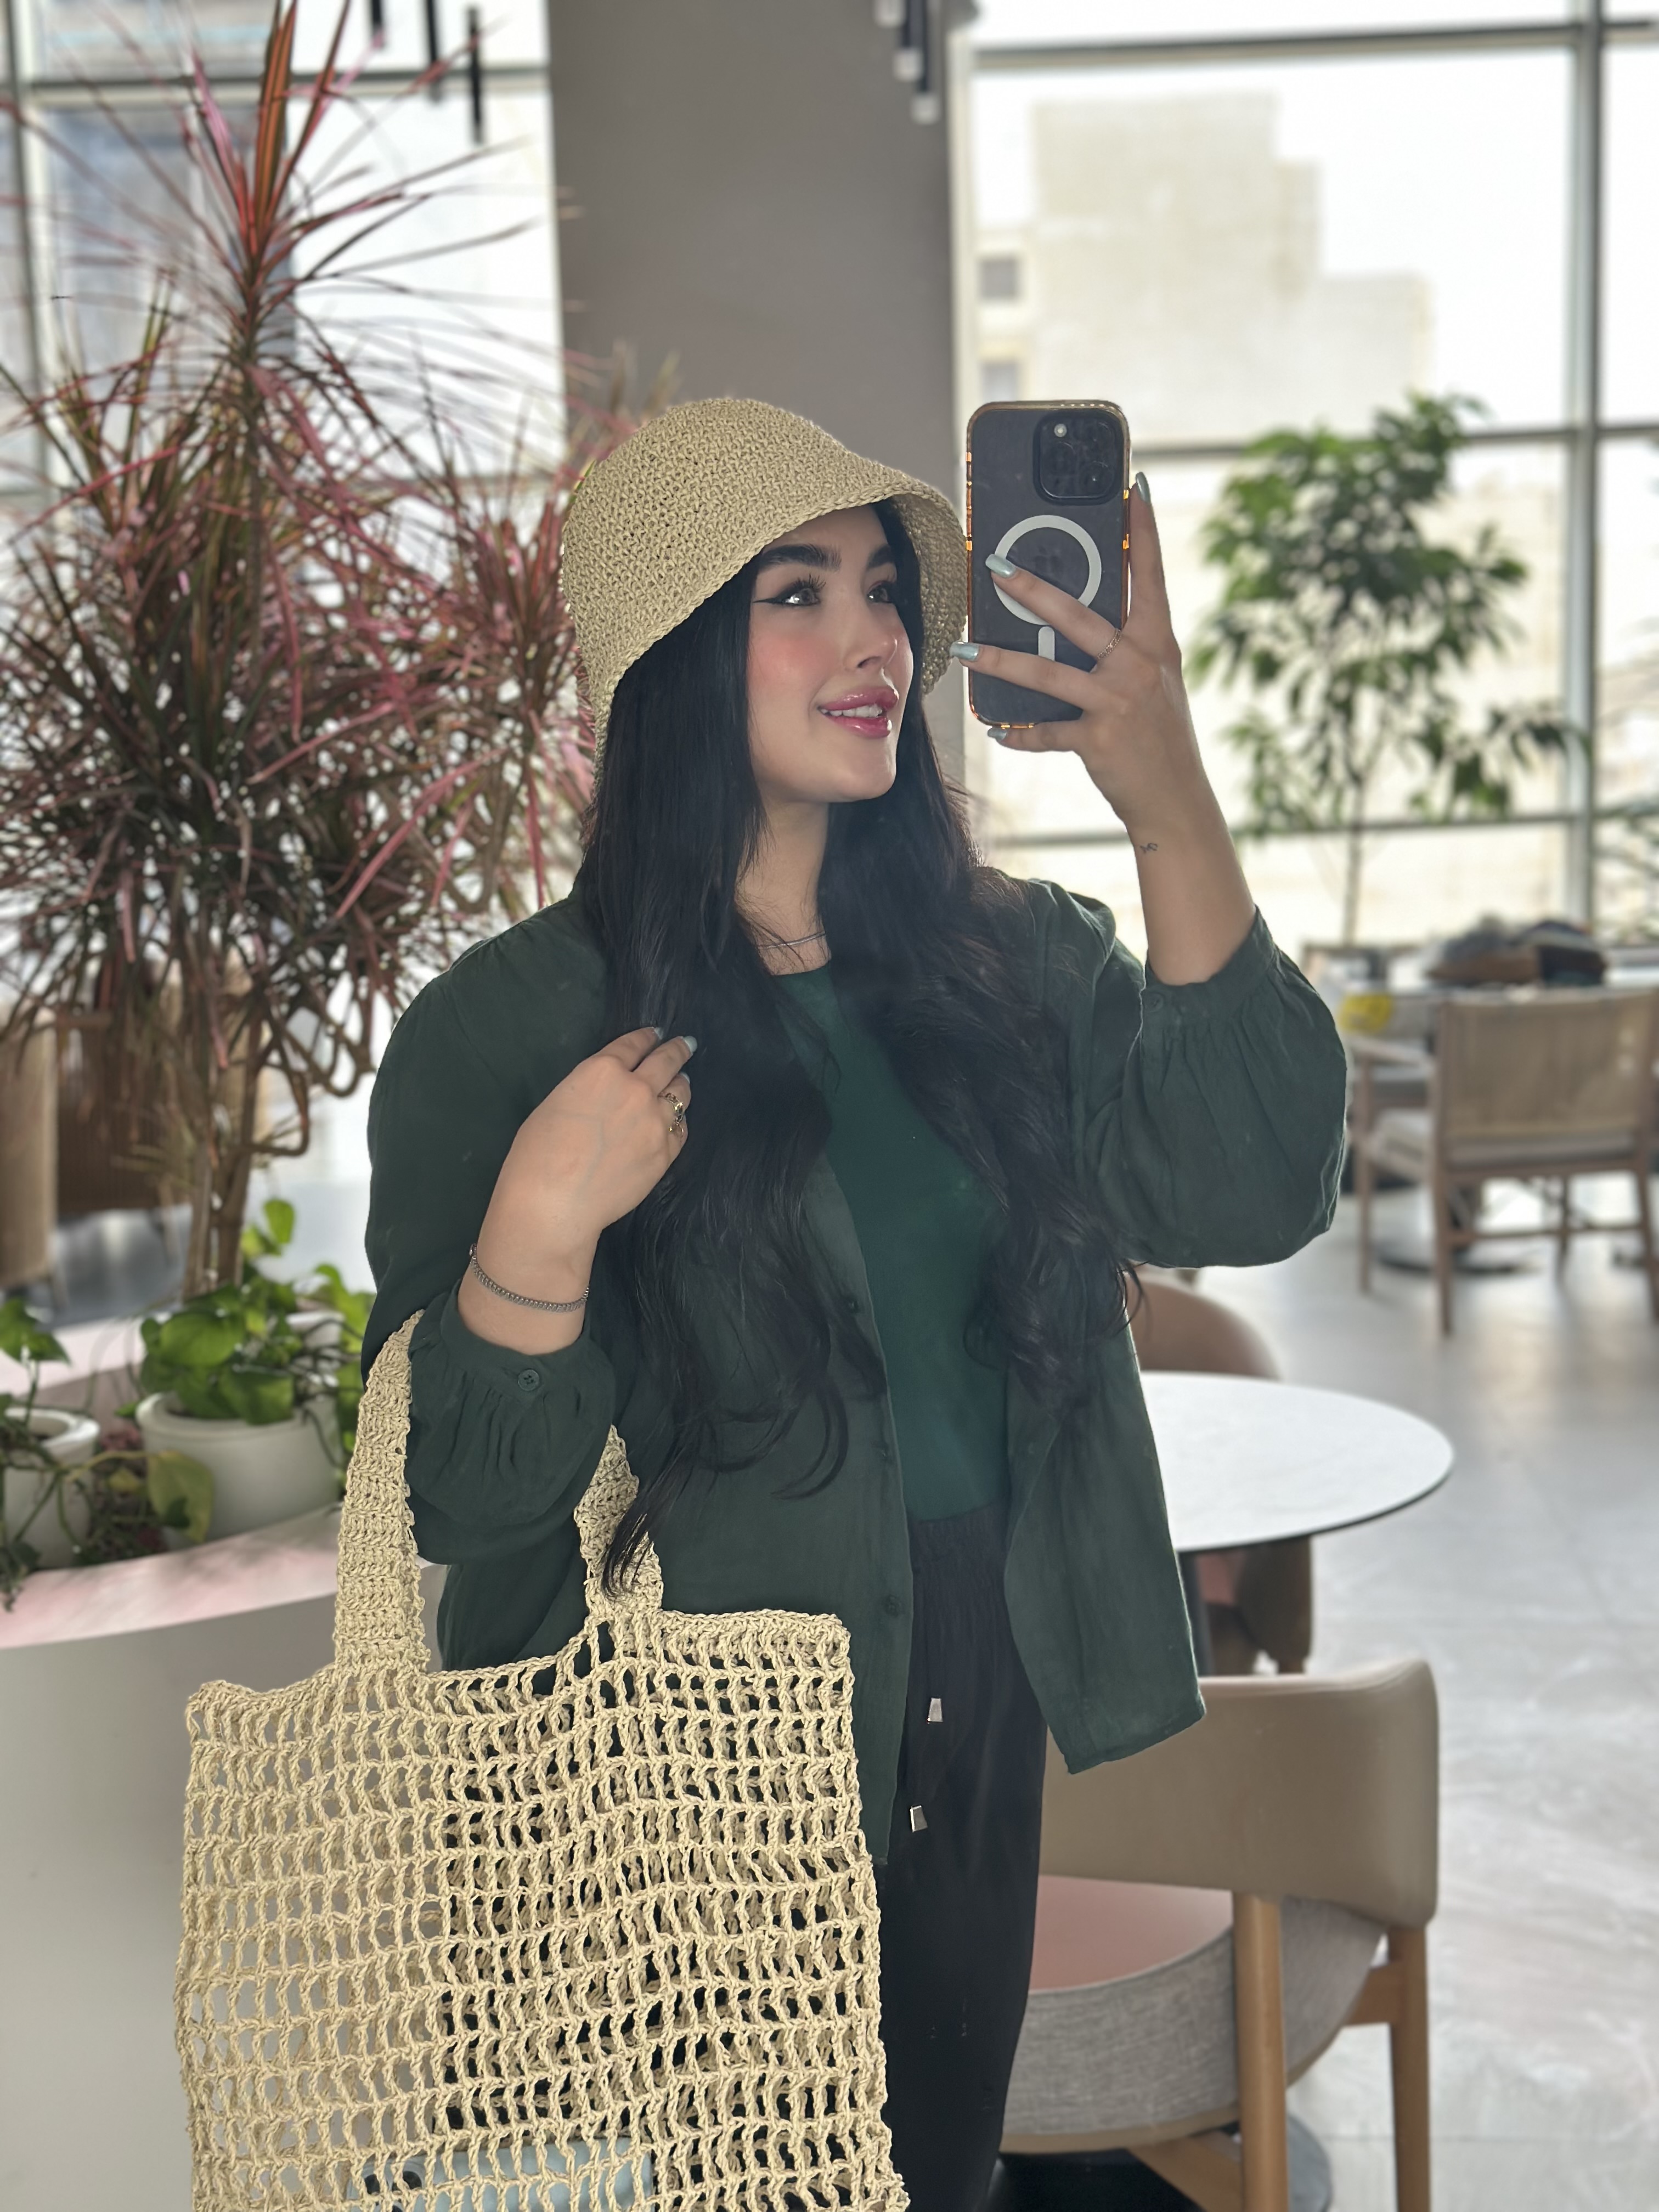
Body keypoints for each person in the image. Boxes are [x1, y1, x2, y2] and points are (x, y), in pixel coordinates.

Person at [364, 398, 1347, 2212]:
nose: (876, 639)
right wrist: (538, 1234)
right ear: (671, 656)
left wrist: (1168, 793)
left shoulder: (1014, 961)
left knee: (936, 2170)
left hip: (974, 1669)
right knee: (741, 2179)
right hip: (680, 1730)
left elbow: (1254, 1186)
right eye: (799, 594)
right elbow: (461, 1502)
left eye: (887, 590)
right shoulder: (504, 1030)